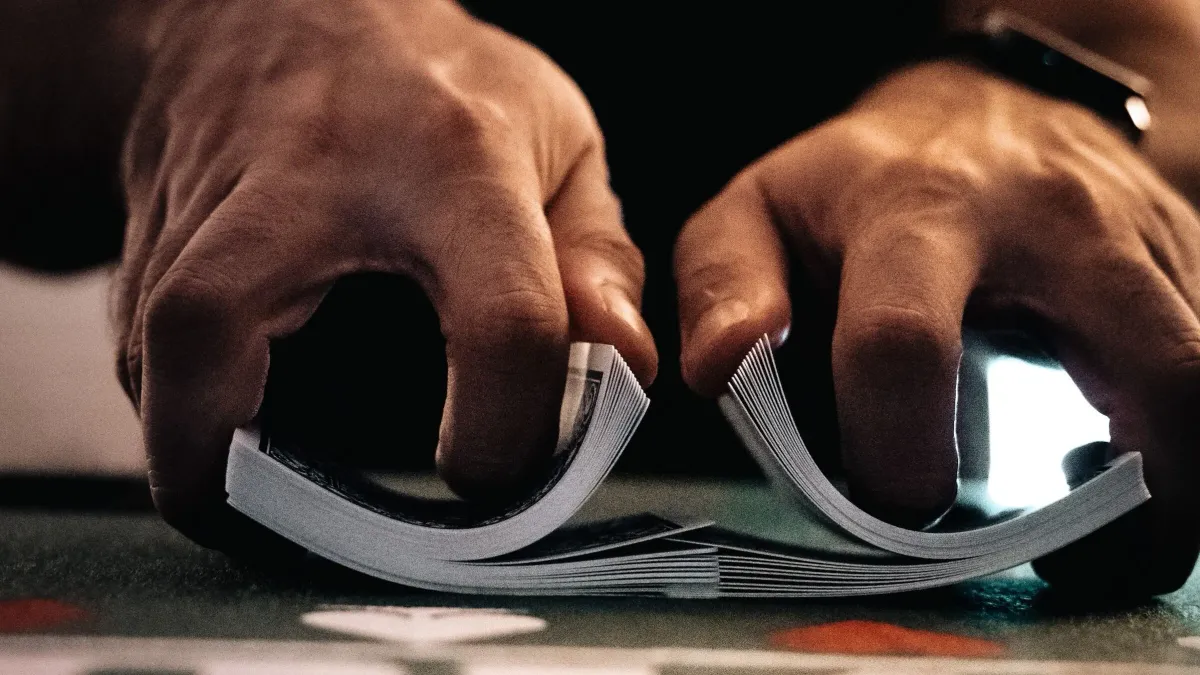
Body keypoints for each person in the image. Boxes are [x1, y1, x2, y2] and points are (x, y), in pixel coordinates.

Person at [3, 0, 1199, 598]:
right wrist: (187, 28)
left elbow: (1157, 38)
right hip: (287, 525)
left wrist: (1044, 89)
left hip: (893, 484)